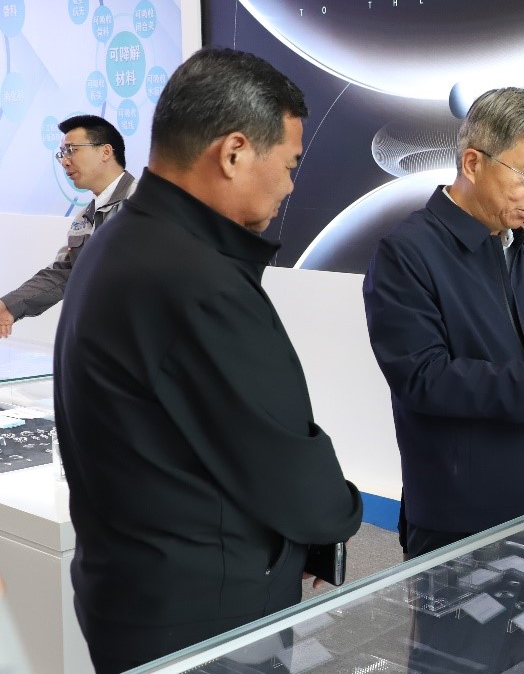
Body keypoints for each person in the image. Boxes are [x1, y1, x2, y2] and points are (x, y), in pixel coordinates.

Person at [52, 47, 365, 673]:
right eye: (290, 163)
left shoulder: (127, 240)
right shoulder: (195, 280)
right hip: (205, 623)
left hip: (138, 591)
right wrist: (338, 513)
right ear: (234, 153)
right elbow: (281, 459)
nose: (291, 185)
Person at [363, 88, 524, 559]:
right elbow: (424, 379)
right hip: (462, 521)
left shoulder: (516, 245)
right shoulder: (407, 253)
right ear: (472, 163)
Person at [0, 115, 136, 338]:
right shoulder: (85, 216)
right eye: (62, 153)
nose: (65, 161)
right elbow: (65, 272)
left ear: (105, 152)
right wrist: (9, 306)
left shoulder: (142, 203)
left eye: (72, 150)